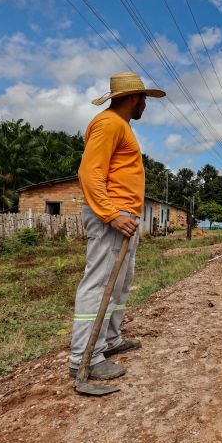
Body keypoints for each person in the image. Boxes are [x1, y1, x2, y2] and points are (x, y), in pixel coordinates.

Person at [69, 71, 165, 379]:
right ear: (135, 98)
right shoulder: (109, 124)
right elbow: (89, 173)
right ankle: (85, 357)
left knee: (120, 283)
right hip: (113, 216)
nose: (146, 106)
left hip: (124, 217)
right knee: (99, 284)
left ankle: (109, 340)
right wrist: (111, 214)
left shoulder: (119, 125)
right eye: (145, 100)